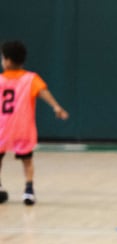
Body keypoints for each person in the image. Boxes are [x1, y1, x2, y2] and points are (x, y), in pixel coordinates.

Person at [0, 40, 69, 206]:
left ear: (7, 60)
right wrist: (56, 106)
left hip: (2, 127)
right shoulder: (30, 79)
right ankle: (29, 190)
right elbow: (43, 92)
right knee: (27, 160)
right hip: (22, 128)